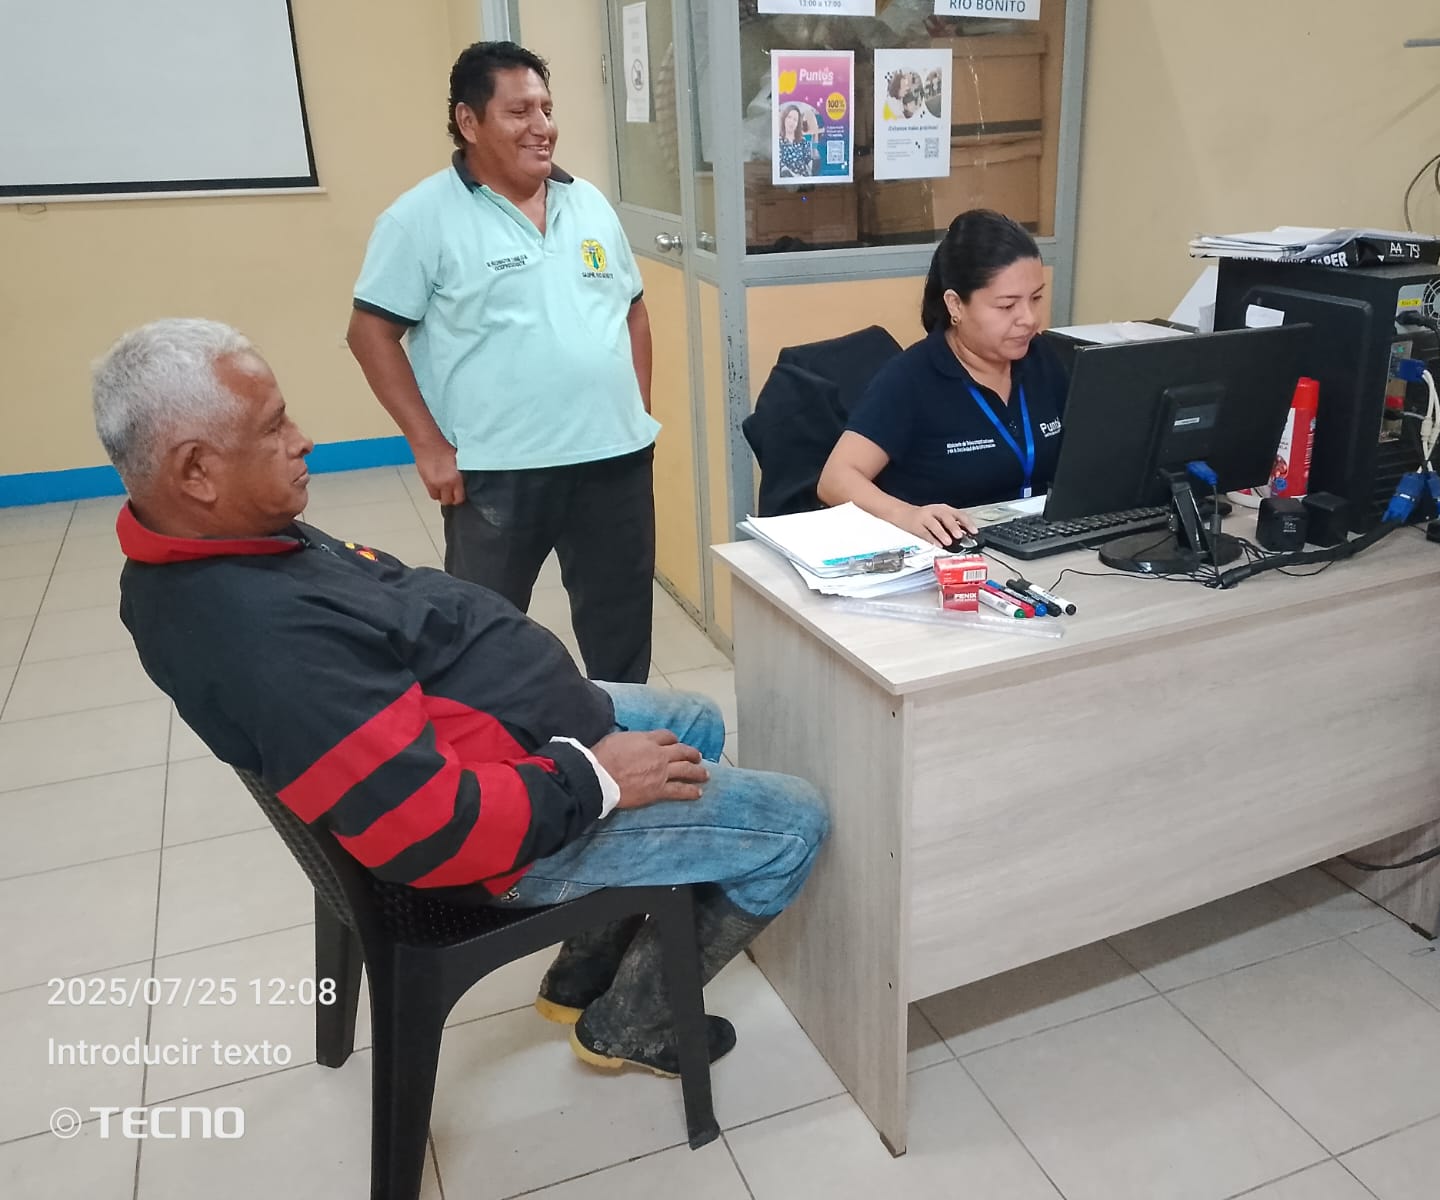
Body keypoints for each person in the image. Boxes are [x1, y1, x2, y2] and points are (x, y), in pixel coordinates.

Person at [93, 318, 828, 1076]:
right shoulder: (265, 636)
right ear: (196, 471)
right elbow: (430, 826)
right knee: (797, 823)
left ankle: (581, 974)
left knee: (695, 721)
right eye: (274, 427)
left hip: (497, 734)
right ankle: (632, 1023)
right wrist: (600, 778)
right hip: (499, 833)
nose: (302, 440)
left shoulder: (225, 545)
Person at [347, 42, 659, 685]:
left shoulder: (588, 203)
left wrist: (637, 409)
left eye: (546, 108)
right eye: (519, 112)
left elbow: (633, 311)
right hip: (497, 470)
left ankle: (624, 732)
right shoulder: (419, 218)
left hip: (614, 460)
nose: (542, 126)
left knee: (621, 632)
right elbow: (370, 333)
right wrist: (428, 444)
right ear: (469, 121)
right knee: (479, 637)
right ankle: (493, 742)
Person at [817, 210, 1068, 546]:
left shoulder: (1042, 360)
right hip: (947, 555)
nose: (1029, 318)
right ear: (956, 305)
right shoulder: (911, 378)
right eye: (1007, 306)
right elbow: (835, 479)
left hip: (1038, 544)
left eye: (1036, 298)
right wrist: (906, 515)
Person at [776, 104, 817, 179]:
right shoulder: (778, 142)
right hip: (789, 180)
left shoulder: (802, 141)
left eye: (795, 120)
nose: (791, 122)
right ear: (784, 119)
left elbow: (808, 160)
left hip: (805, 179)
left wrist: (812, 173)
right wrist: (796, 177)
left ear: (797, 124)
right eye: (789, 117)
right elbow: (781, 166)